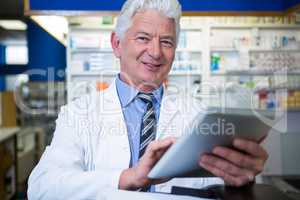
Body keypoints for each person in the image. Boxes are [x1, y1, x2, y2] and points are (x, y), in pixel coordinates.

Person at [27, 0, 268, 199]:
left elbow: (221, 184)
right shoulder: (78, 113)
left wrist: (242, 178)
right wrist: (127, 177)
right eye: (143, 38)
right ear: (117, 44)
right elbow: (41, 187)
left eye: (166, 41)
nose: (155, 52)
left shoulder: (199, 114)